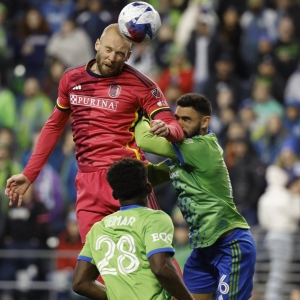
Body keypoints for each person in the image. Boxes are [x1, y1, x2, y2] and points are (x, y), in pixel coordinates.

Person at [5, 23, 184, 244]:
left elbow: (174, 125)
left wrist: (168, 130)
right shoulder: (71, 79)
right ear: (97, 44)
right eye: (108, 50)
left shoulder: (142, 84)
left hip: (128, 178)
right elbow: (53, 127)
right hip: (88, 184)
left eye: (120, 54)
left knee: (155, 259)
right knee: (96, 265)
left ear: (128, 56)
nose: (112, 57)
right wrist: (29, 174)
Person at [135, 93, 257, 299]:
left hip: (231, 245)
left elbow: (145, 140)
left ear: (205, 122)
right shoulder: (181, 157)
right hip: (203, 249)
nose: (179, 125)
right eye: (177, 118)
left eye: (187, 119)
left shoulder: (202, 147)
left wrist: (137, 112)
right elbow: (151, 177)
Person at [72, 157, 194, 300]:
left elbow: (80, 282)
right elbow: (161, 268)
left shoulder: (98, 228)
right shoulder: (155, 219)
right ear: (149, 187)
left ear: (115, 195)